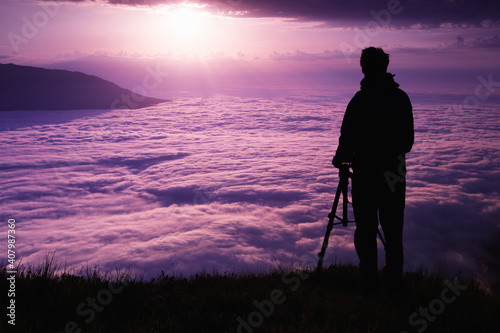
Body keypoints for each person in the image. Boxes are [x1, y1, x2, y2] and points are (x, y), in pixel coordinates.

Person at [332, 47, 414, 296]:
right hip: (394, 176)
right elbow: (408, 142)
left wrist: (341, 160)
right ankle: (394, 287)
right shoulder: (401, 98)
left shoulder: (360, 100)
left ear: (364, 68)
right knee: (393, 231)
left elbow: (348, 139)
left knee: (366, 230)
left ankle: (368, 286)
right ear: (385, 68)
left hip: (366, 175)